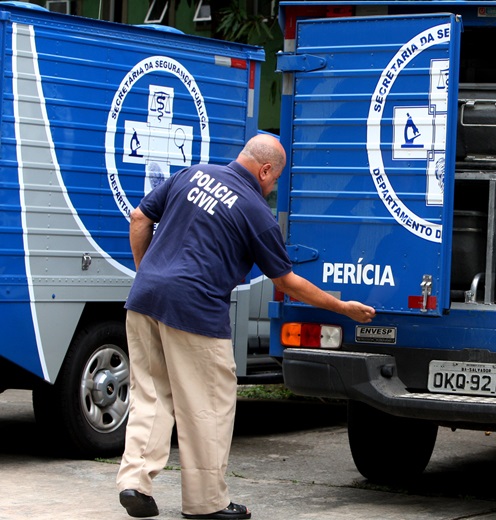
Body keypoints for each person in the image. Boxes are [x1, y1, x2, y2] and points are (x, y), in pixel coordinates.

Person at [116, 134, 375, 519]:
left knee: (151, 394)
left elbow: (140, 217)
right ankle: (206, 503)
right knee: (208, 405)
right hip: (196, 311)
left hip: (144, 301)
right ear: (265, 169)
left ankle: (134, 482)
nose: (271, 188)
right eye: (274, 180)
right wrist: (340, 306)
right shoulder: (256, 211)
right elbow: (285, 281)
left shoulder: (191, 174)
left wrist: (148, 274)